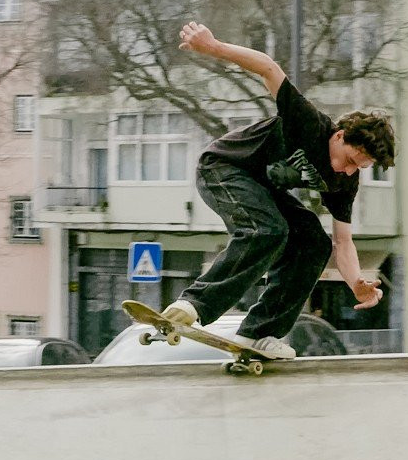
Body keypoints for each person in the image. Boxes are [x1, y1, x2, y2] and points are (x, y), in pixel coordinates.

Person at [160, 21, 395, 359]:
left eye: (360, 167)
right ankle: (193, 303)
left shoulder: (344, 181)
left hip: (262, 189)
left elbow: (343, 242)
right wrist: (214, 47)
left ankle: (260, 333)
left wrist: (356, 280)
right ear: (340, 136)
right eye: (350, 159)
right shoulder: (309, 123)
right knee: (267, 229)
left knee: (313, 242)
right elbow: (269, 68)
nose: (347, 170)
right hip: (223, 169)